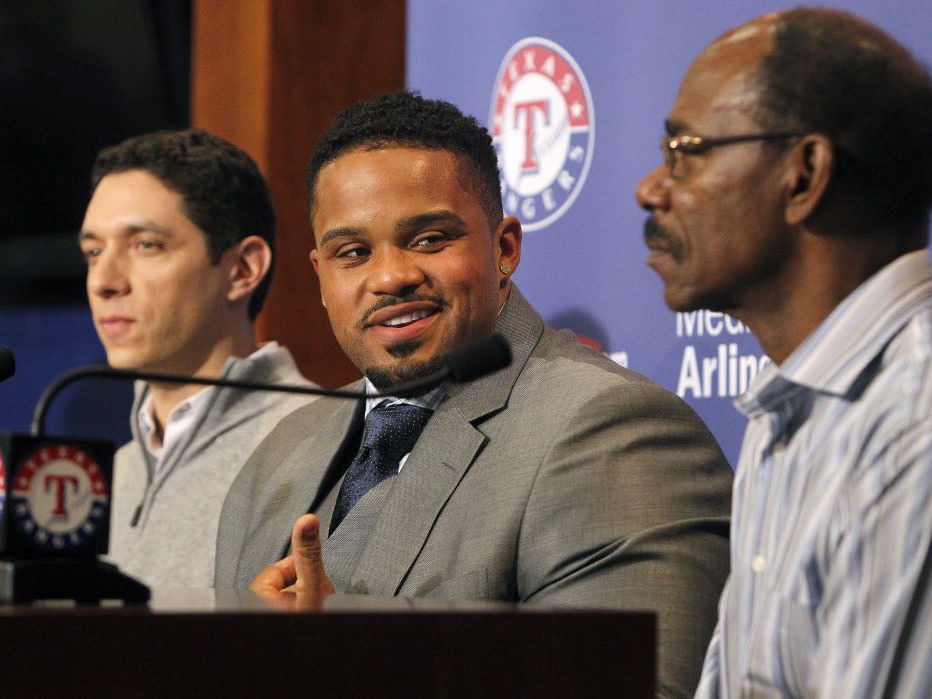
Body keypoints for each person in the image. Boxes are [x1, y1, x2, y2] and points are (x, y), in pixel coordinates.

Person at [217, 91, 733, 698]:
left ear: (505, 248)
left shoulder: (615, 434)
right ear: (322, 276)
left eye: (429, 239)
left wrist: (353, 663)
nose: (389, 277)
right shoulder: (278, 455)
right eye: (353, 253)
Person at [636, 8, 932, 698]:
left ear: (804, 173)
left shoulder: (925, 429)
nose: (650, 188)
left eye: (684, 151)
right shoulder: (786, 407)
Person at [80, 129, 315, 587]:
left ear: (242, 270)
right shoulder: (107, 476)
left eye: (145, 245)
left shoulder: (322, 445)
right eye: (93, 251)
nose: (103, 281)